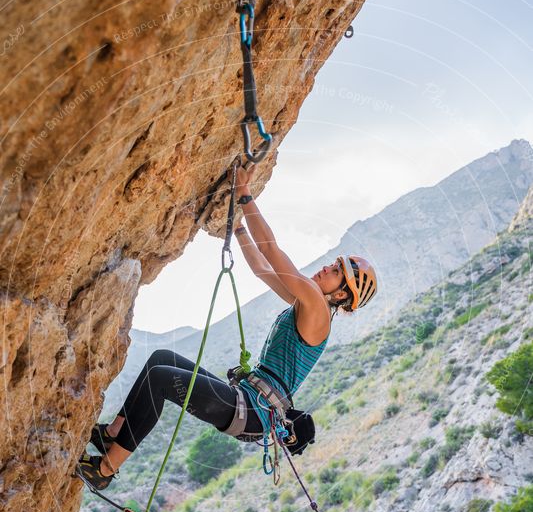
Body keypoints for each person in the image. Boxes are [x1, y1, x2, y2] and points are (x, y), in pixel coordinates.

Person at [75, 164, 377, 490]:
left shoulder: (317, 307)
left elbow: (272, 252)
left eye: (335, 271)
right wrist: (239, 231)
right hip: (248, 402)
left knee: (161, 380)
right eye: (333, 264)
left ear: (342, 294)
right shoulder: (306, 305)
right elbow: (263, 269)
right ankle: (112, 435)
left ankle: (105, 470)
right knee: (160, 359)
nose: (326, 267)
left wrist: (245, 195)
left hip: (251, 412)